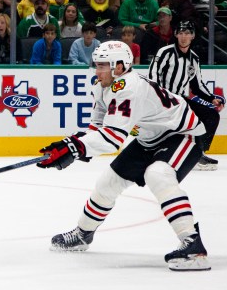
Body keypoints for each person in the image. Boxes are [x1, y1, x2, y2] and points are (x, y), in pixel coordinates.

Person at [43, 40, 211, 272]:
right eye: (96, 64)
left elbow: (112, 138)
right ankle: (83, 234)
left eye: (102, 65)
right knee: (107, 182)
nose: (96, 70)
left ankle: (194, 247)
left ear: (119, 67)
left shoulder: (129, 88)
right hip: (149, 138)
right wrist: (71, 148)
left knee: (158, 174)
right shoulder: (103, 86)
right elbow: (98, 129)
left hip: (183, 134)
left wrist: (73, 147)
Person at [148, 21, 226, 171]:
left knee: (211, 115)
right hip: (165, 100)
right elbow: (154, 76)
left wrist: (212, 99)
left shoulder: (194, 58)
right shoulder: (165, 52)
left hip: (183, 100)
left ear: (193, 36)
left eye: (187, 33)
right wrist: (160, 98)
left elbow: (197, 85)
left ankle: (197, 153)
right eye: (181, 33)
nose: (184, 37)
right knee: (186, 123)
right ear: (176, 35)